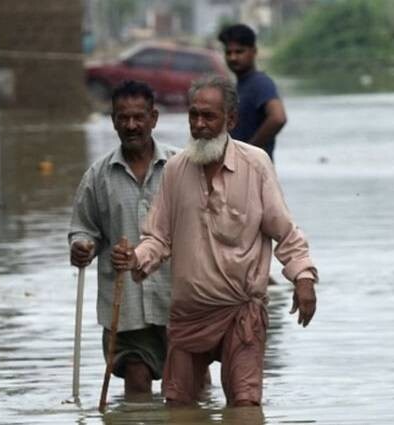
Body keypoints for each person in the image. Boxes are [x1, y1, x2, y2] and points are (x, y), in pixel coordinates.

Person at [111, 75, 318, 406]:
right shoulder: (176, 170)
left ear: (230, 120)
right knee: (178, 406)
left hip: (241, 310)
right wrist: (135, 259)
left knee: (246, 405)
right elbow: (158, 238)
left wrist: (303, 278)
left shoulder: (256, 164)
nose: (199, 124)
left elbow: (285, 231)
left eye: (209, 116)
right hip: (188, 314)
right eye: (194, 115)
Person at [68, 80, 179, 396]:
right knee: (137, 380)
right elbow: (83, 228)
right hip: (125, 303)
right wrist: (82, 247)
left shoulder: (179, 168)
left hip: (177, 300)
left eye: (139, 117)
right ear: (113, 120)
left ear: (153, 118)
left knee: (187, 388)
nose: (131, 125)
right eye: (123, 118)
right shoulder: (98, 176)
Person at [218, 23, 286, 161]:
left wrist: (247, 151)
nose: (233, 58)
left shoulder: (260, 83)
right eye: (228, 52)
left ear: (253, 51)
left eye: (239, 52)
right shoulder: (238, 86)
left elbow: (278, 117)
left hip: (255, 170)